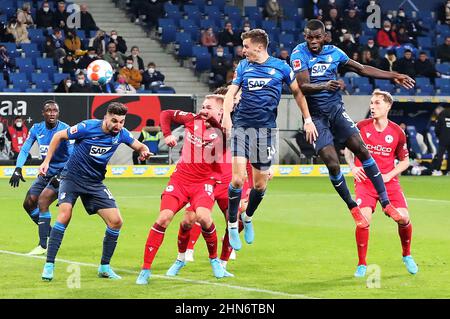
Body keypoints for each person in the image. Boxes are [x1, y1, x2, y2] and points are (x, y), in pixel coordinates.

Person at [290, 19, 415, 231]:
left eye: (317, 37)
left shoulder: (335, 53)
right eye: (309, 37)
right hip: (316, 117)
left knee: (362, 149)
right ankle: (352, 207)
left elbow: (362, 69)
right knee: (332, 162)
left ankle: (386, 203)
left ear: (325, 37)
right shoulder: (298, 54)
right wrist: (325, 85)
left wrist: (393, 75)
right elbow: (302, 86)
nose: (313, 41)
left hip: (336, 112)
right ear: (305, 37)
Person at [221, 29, 317, 251]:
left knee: (260, 185)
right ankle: (232, 224)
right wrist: (226, 116)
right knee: (237, 179)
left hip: (265, 132)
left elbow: (298, 94)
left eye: (245, 46)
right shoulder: (243, 67)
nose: (242, 50)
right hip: (242, 127)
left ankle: (248, 217)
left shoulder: (281, 67)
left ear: (258, 46)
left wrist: (308, 120)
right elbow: (230, 93)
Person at [39, 102, 151, 281]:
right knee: (64, 215)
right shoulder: (87, 126)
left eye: (122, 121)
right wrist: (46, 162)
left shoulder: (121, 133)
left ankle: (104, 267)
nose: (118, 125)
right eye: (114, 121)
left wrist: (144, 151)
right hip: (71, 177)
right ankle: (49, 265)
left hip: (94, 183)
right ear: (106, 117)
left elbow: (139, 146)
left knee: (116, 221)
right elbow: (59, 136)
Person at [135, 94, 230, 285]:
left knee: (204, 217)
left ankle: (214, 261)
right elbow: (166, 114)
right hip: (180, 180)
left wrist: (211, 119)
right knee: (164, 219)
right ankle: (146, 269)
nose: (203, 109)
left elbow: (222, 140)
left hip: (204, 183)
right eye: (203, 106)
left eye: (208, 107)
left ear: (221, 112)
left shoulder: (224, 131)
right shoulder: (191, 119)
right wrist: (167, 133)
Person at [344, 90, 418, 277]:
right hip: (366, 183)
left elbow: (404, 161)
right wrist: (353, 166)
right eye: (371, 103)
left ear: (388, 106)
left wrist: (388, 175)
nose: (372, 106)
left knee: (403, 218)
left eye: (377, 103)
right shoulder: (361, 126)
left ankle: (407, 255)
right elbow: (347, 150)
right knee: (363, 221)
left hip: (389, 184)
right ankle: (361, 264)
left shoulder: (397, 132)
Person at [8, 101, 72, 255]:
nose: (51, 113)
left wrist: (61, 175)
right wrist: (17, 168)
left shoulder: (66, 130)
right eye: (48, 110)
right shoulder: (37, 128)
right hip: (46, 171)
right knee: (29, 203)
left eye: (54, 110)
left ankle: (43, 245)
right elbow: (24, 149)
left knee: (42, 201)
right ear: (43, 113)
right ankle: (50, 233)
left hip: (63, 173)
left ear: (58, 113)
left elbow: (73, 155)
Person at [431, 107, 450, 175]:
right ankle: (448, 171)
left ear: (440, 111)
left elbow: (437, 130)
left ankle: (437, 170)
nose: (437, 113)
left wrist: (440, 137)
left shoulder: (441, 118)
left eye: (437, 112)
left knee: (440, 155)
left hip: (443, 140)